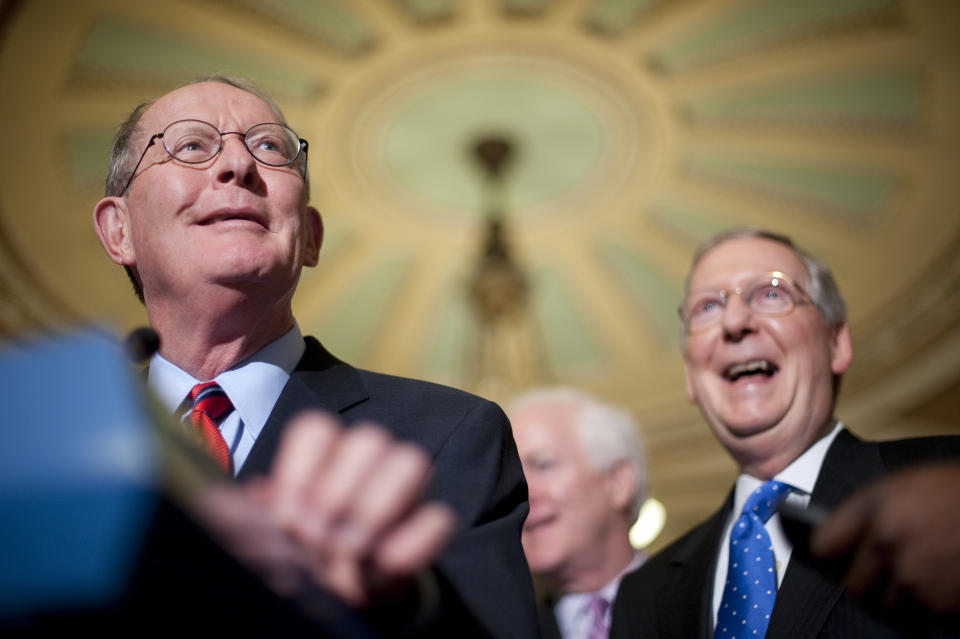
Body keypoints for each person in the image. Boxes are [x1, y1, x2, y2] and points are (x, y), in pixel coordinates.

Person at [91, 75, 538, 638]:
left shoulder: (450, 435)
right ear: (119, 230)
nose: (237, 165)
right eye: (192, 146)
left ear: (309, 236)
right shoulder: (47, 439)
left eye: (269, 147)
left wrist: (395, 606)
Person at [609, 228, 960, 639]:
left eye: (771, 293)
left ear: (836, 343)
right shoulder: (642, 596)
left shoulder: (946, 481)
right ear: (690, 375)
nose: (735, 321)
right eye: (707, 307)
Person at [510, 387, 647, 639]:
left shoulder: (703, 597)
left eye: (543, 465)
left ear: (618, 482)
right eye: (513, 478)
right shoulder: (505, 629)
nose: (522, 494)